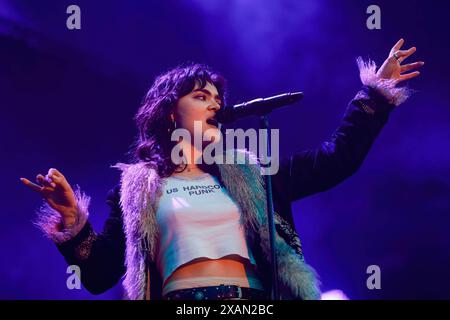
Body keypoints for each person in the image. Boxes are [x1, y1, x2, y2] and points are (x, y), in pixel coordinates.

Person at [21, 39, 424, 300]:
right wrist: (74, 222)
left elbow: (337, 160)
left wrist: (374, 94)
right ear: (168, 115)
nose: (216, 104)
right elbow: (100, 274)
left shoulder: (251, 176)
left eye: (218, 97)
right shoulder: (137, 189)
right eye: (201, 96)